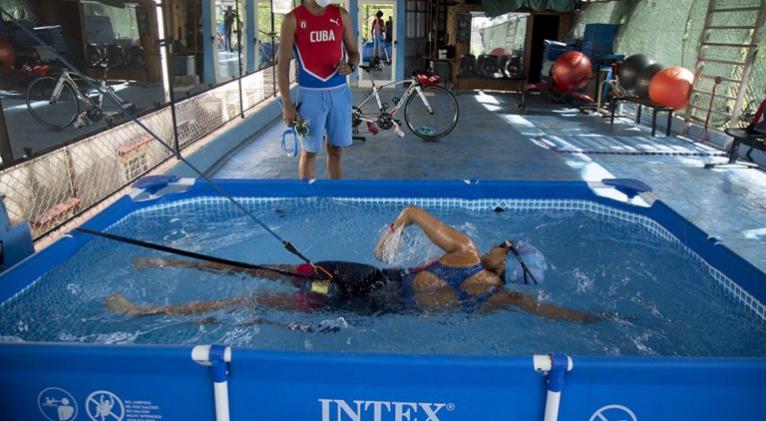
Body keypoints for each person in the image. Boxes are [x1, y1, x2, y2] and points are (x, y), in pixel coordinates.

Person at [106, 206, 599, 323]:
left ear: (505, 258)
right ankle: (145, 310)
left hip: (362, 278)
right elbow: (559, 315)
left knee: (259, 277)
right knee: (263, 300)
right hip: (373, 308)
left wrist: (394, 231)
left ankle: (160, 281)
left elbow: (411, 210)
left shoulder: (467, 250)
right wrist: (602, 318)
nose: (501, 241)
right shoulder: (502, 300)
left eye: (508, 244)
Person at [277, 0, 360, 179]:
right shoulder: (292, 20)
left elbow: (354, 53)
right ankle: (309, 202)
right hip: (309, 96)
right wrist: (287, 104)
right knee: (309, 153)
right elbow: (282, 65)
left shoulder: (341, 15)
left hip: (339, 93)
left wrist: (351, 66)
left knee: (336, 150)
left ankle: (336, 199)